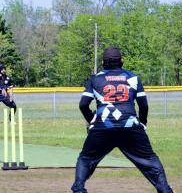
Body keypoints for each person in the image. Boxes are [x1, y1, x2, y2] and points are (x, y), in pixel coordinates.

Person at [71, 47, 175, 193]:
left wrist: (92, 121)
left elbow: (83, 105)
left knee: (86, 158)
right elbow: (143, 105)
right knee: (149, 160)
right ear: (121, 61)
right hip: (130, 126)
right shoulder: (133, 77)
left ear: (103, 62)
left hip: (103, 127)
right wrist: (143, 123)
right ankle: (165, 190)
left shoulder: (95, 79)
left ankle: (79, 189)